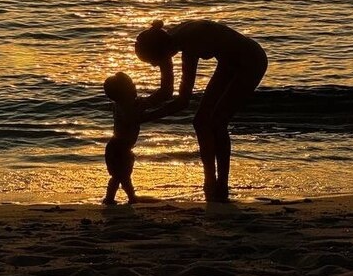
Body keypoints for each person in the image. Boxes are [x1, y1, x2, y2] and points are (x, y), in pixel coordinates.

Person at [134, 19, 268, 203]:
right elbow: (166, 90)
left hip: (252, 61)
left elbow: (183, 101)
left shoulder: (189, 44)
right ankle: (209, 180)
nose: (154, 67)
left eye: (154, 62)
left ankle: (221, 185)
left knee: (218, 122)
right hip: (228, 62)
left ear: (163, 53)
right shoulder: (165, 39)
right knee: (200, 122)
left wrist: (146, 118)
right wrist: (143, 104)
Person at [101, 71, 166, 205]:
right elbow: (132, 119)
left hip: (119, 147)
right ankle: (118, 198)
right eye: (131, 86)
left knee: (122, 176)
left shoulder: (121, 105)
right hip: (119, 149)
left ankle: (124, 197)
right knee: (121, 176)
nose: (134, 87)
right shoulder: (124, 107)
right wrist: (144, 110)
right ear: (123, 93)